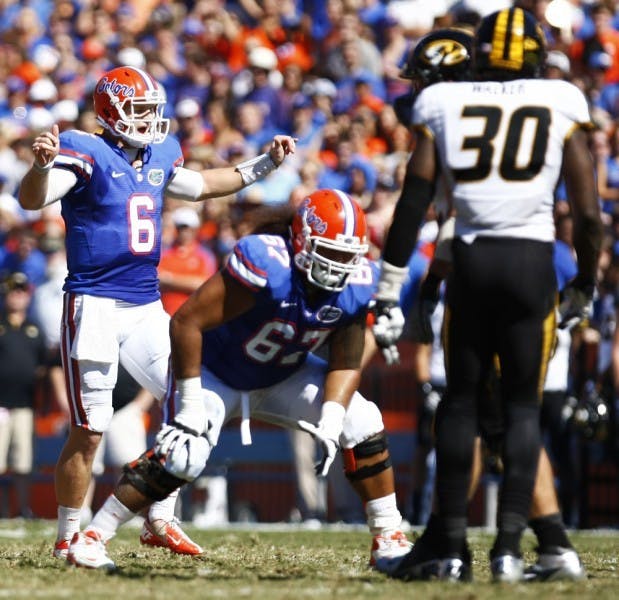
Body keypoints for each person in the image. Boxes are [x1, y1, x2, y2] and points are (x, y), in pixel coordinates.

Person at [17, 65, 296, 560]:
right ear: (112, 111)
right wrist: (40, 167)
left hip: (145, 303)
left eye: (153, 111)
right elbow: (34, 200)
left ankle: (159, 518)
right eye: (140, 111)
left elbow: (203, 184)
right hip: (94, 303)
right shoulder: (86, 149)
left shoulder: (159, 154)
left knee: (190, 404)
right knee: (89, 429)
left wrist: (263, 166)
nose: (150, 121)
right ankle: (66, 537)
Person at [65, 189, 412, 572]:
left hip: (284, 372)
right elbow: (186, 322)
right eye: (330, 253)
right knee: (183, 454)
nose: (339, 266)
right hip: (220, 370)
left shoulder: (359, 283)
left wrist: (331, 417)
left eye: (348, 256)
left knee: (362, 420)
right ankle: (94, 536)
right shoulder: (267, 263)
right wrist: (191, 402)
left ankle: (389, 535)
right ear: (301, 240)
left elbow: (346, 358)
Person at [372, 8, 603, 583]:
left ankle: (457, 543)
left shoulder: (444, 106)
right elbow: (590, 213)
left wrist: (398, 289)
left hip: (476, 264)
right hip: (531, 265)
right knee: (514, 411)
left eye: (419, 80)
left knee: (467, 405)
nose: (413, 93)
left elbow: (417, 209)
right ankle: (513, 548)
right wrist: (586, 282)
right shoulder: (559, 99)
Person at [0, 271, 47, 518]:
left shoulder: (34, 330)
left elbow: (43, 368)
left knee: (23, 462)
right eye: (12, 292)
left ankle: (24, 509)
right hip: (1, 404)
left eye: (21, 292)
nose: (17, 297)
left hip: (25, 404)